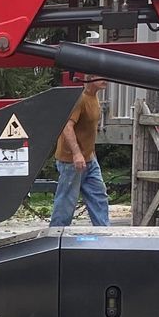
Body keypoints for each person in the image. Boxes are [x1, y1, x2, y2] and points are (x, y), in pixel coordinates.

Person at [50, 75, 109, 226]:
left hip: (89, 159)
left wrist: (91, 154)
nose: (105, 79)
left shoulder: (94, 98)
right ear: (89, 78)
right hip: (71, 160)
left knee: (99, 195)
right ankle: (57, 232)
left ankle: (104, 231)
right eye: (100, 76)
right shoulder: (80, 99)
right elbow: (67, 127)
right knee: (66, 201)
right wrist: (77, 154)